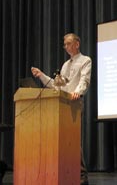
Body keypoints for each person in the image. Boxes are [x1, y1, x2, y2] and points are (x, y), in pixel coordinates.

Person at [31, 33, 91, 185]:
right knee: (63, 141)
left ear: (77, 44)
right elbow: (57, 85)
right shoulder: (65, 65)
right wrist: (42, 75)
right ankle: (66, 172)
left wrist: (78, 91)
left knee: (74, 140)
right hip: (62, 104)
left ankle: (82, 175)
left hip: (75, 103)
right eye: (64, 44)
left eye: (69, 43)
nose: (66, 47)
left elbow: (84, 80)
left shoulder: (85, 60)